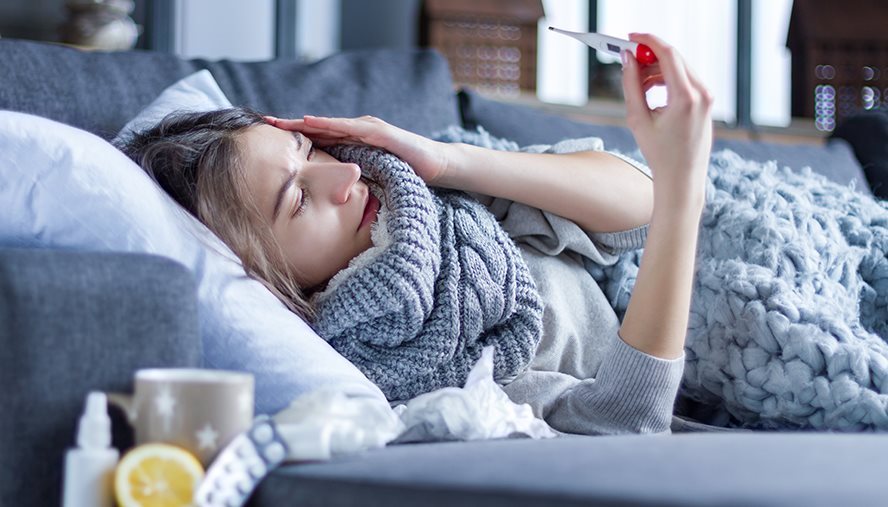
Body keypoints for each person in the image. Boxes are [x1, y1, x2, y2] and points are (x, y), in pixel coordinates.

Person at [120, 34, 714, 435]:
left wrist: (450, 161)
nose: (345, 173)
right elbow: (625, 427)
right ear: (258, 274)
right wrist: (683, 185)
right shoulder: (411, 373)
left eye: (307, 149)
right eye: (297, 198)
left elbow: (641, 206)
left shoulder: (422, 195)